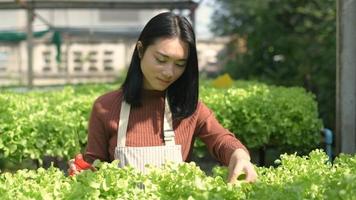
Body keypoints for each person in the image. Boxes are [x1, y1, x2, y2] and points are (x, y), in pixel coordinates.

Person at [69, 11, 257, 183]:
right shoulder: (105, 107)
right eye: (161, 60)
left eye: (180, 63)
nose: (169, 72)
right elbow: (95, 167)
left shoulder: (189, 107)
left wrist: (239, 155)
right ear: (141, 50)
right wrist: (82, 172)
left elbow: (221, 140)